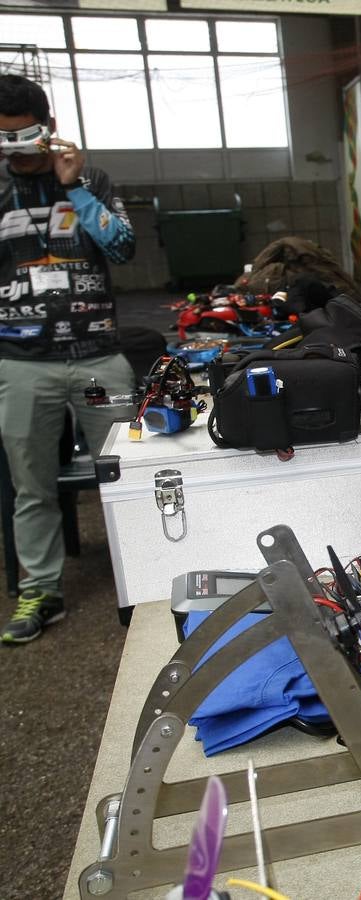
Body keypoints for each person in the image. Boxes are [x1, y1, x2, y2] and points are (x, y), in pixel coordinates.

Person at [0, 74, 136, 644]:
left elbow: (122, 247)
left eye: (24, 136)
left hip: (98, 358)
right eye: (4, 138)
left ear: (48, 127)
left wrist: (74, 187)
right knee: (31, 485)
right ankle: (41, 590)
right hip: (22, 362)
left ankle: (148, 577)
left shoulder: (92, 179)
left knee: (133, 471)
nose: (16, 149)